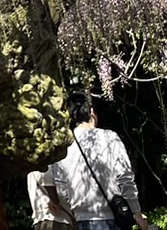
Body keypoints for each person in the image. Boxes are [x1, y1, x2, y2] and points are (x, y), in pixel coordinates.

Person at [47, 93, 153, 230]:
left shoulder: (66, 146)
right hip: (113, 218)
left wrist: (74, 211)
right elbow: (125, 177)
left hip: (81, 220)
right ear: (91, 112)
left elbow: (61, 188)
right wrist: (136, 212)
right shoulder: (110, 138)